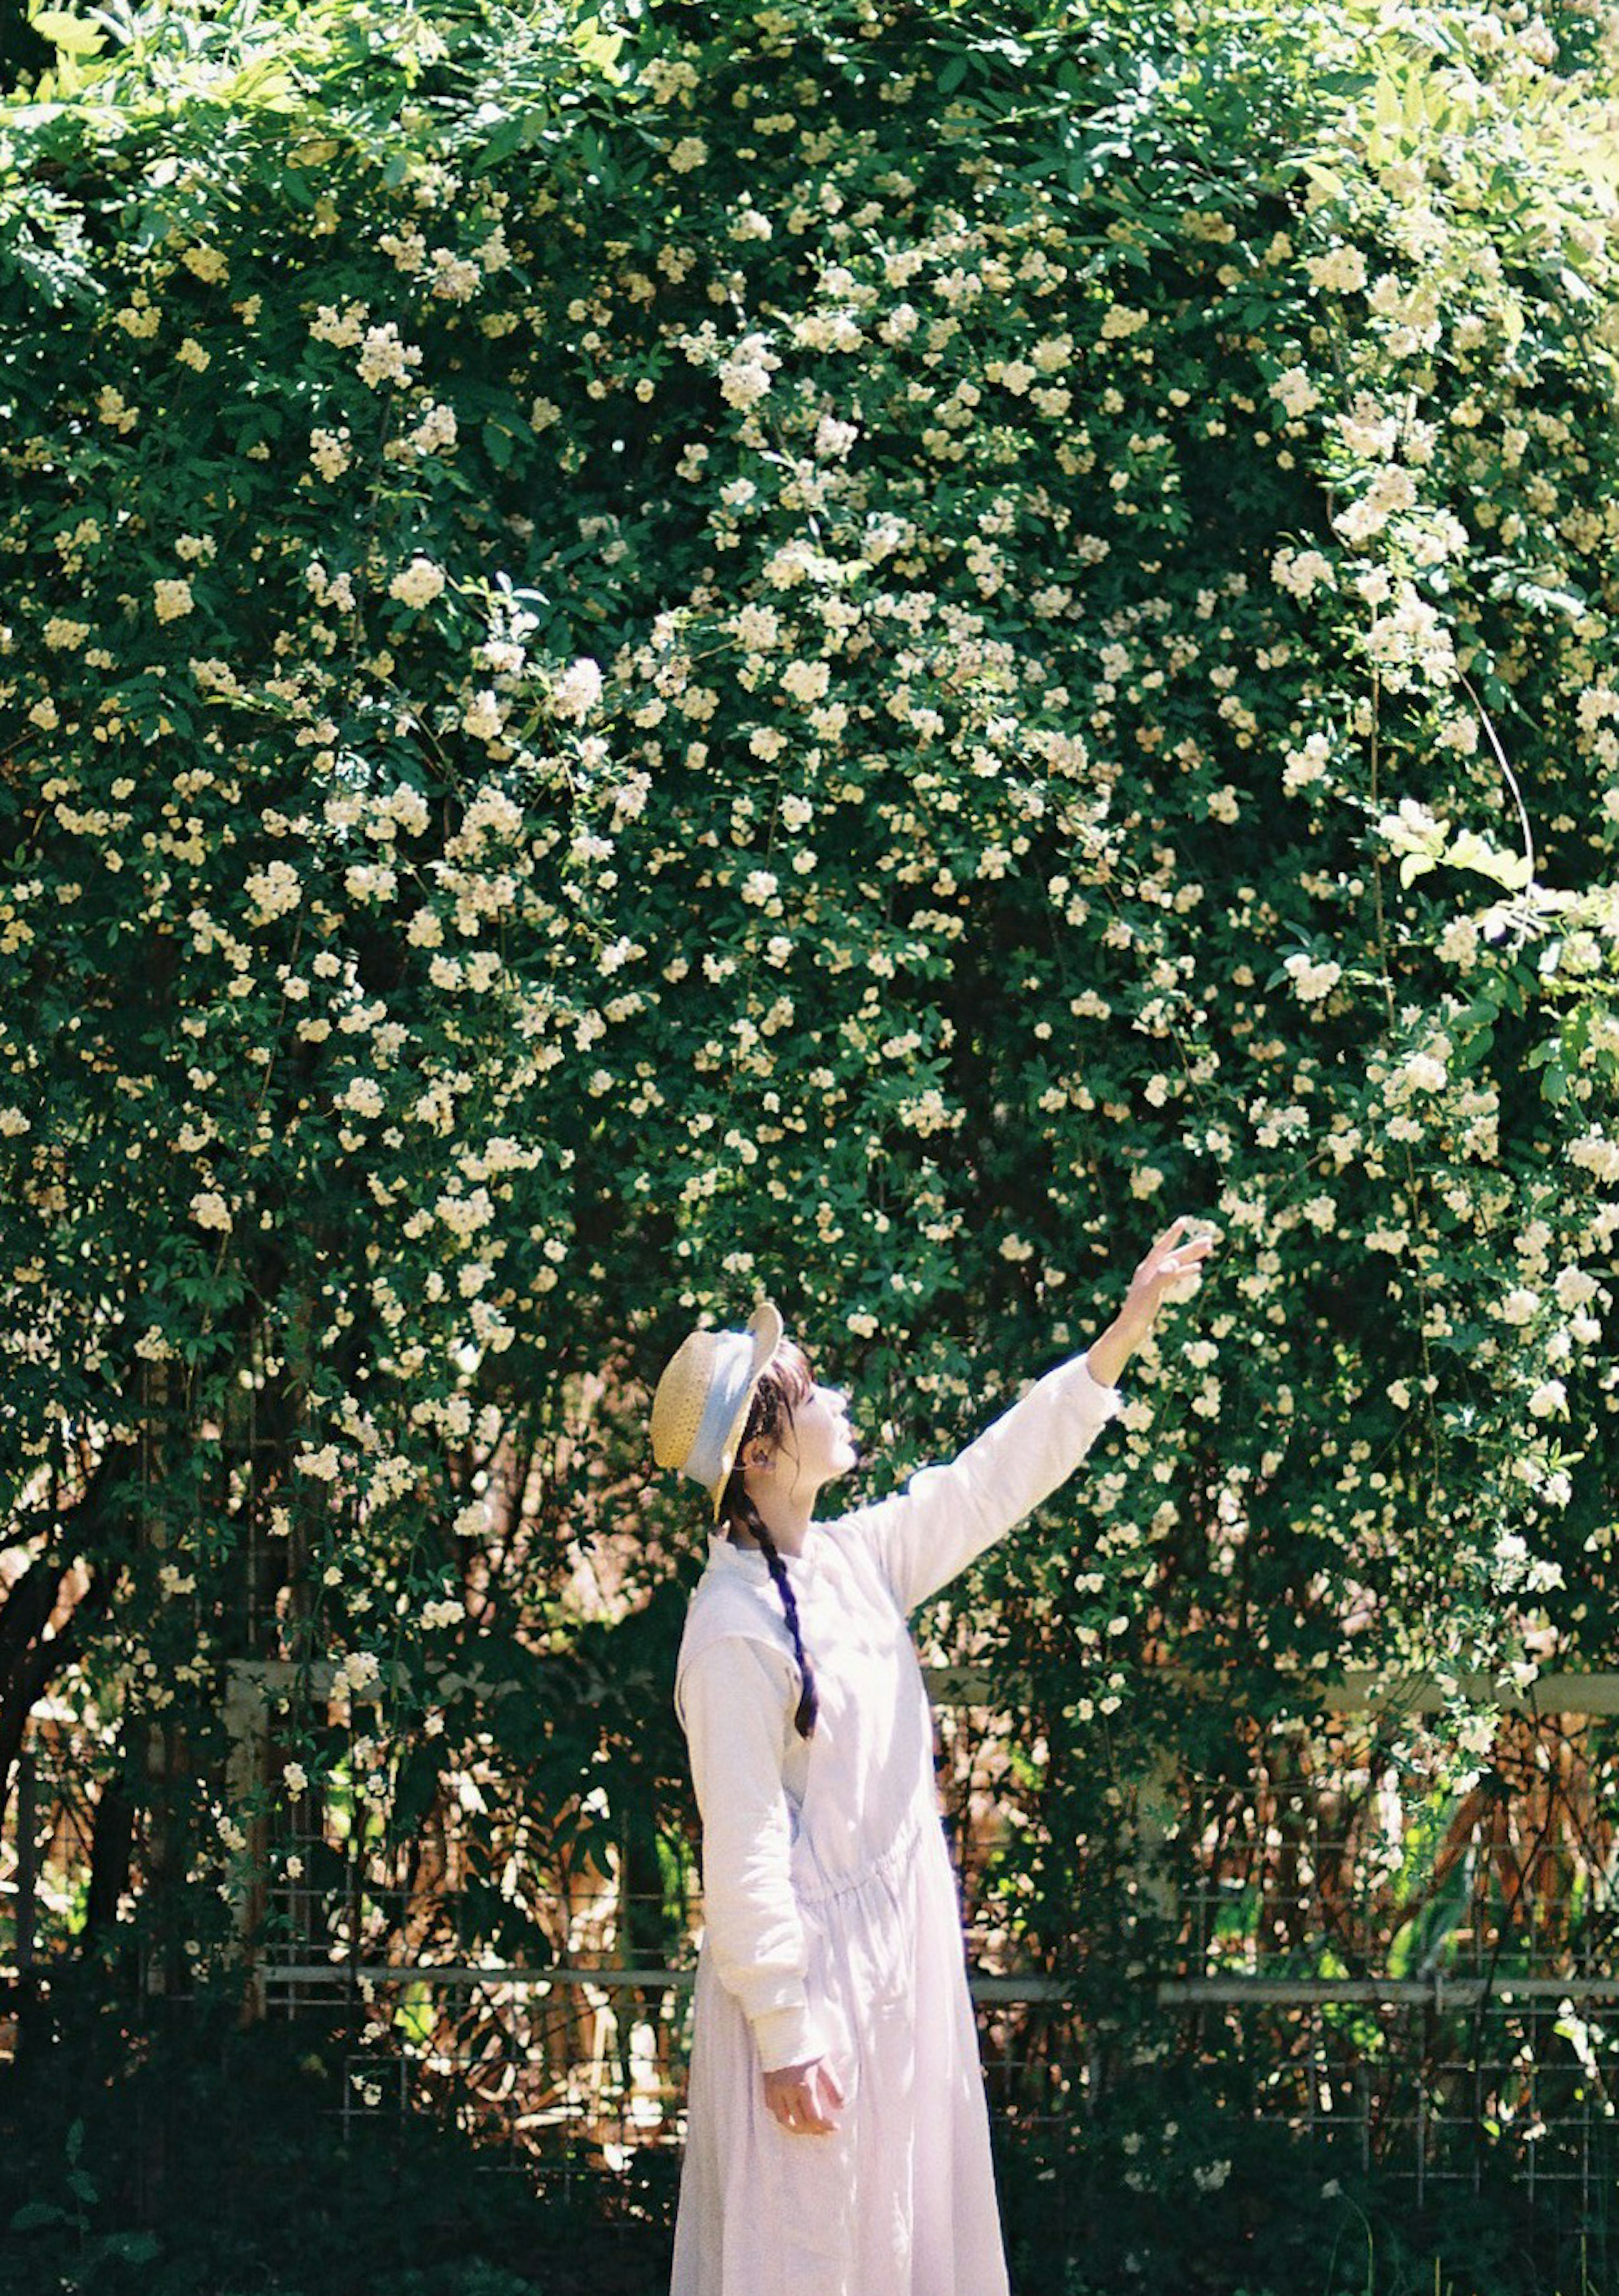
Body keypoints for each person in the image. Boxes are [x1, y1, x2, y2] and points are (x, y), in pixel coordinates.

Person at [650, 1214, 1219, 2295]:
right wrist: (784, 2029)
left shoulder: (851, 1559)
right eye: (815, 1393)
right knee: (812, 2257)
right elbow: (746, 1843)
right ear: (761, 1453)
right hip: (810, 1996)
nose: (842, 1402)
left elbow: (986, 1482)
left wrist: (1125, 1331)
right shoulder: (732, 1630)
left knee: (902, 2246)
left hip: (893, 1968)